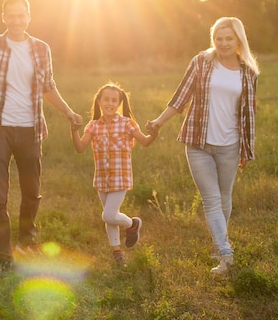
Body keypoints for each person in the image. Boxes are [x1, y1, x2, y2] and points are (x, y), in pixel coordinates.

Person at [0, 0, 82, 276]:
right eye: (10, 15)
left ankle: (26, 241)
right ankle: (4, 255)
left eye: (21, 15)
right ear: (3, 17)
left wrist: (68, 112)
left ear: (29, 16)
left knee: (31, 192)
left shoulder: (41, 49)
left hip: (30, 129)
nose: (16, 20)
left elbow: (48, 86)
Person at [146, 17, 259, 275]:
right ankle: (226, 253)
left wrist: (246, 148)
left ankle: (217, 243)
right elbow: (180, 98)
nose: (223, 43)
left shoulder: (248, 72)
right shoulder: (201, 62)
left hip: (230, 145)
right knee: (211, 199)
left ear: (239, 39)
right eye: (219, 38)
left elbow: (249, 114)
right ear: (213, 39)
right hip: (198, 142)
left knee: (225, 198)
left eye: (229, 38)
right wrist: (159, 122)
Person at [71, 82, 159, 266]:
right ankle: (117, 253)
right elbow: (80, 148)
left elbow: (144, 142)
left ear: (119, 102)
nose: (109, 103)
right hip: (102, 179)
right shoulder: (93, 126)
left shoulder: (127, 124)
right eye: (106, 100)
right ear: (99, 101)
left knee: (108, 215)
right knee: (110, 215)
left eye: (113, 100)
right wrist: (74, 131)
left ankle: (132, 224)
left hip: (121, 177)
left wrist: (154, 133)